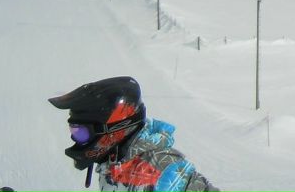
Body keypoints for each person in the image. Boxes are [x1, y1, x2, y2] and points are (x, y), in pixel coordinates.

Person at [49, 76, 218, 191]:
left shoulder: (161, 171)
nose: (75, 138)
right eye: (74, 131)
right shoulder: (115, 164)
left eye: (81, 133)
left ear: (112, 131)